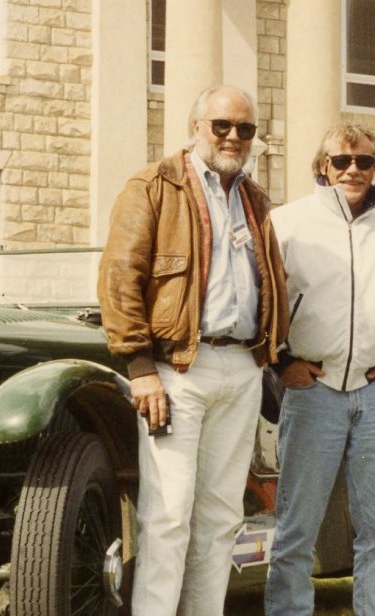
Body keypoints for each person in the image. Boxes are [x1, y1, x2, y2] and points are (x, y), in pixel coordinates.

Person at [97, 84, 289, 616]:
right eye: (221, 126)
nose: (233, 137)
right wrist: (140, 367)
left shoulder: (253, 199)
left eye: (245, 129)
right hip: (176, 371)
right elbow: (120, 277)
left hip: (241, 369)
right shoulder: (154, 185)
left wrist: (272, 354)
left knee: (221, 518)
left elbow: (271, 281)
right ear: (196, 127)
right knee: (167, 515)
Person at [264, 123, 375, 616]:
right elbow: (265, 299)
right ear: (323, 166)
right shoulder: (288, 223)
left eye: (363, 161)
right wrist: (281, 361)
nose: (352, 170)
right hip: (312, 391)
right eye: (341, 161)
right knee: (299, 527)